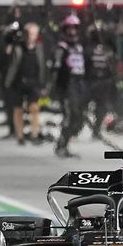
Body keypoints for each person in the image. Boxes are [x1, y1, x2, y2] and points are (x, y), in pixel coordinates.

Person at [4, 22, 46, 145]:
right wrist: (9, 82)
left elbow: (41, 67)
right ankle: (20, 135)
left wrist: (42, 84)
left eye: (34, 33)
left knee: (34, 108)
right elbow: (12, 65)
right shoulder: (18, 47)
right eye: (29, 33)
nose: (31, 36)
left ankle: (34, 133)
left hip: (33, 82)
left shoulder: (39, 49)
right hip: (18, 82)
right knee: (18, 109)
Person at [53, 15, 88, 158]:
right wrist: (54, 88)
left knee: (79, 117)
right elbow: (55, 69)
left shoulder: (79, 48)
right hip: (66, 86)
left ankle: (66, 140)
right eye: (69, 29)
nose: (72, 33)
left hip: (79, 85)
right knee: (69, 116)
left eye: (75, 29)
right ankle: (62, 145)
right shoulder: (62, 48)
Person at [84, 24, 116, 139]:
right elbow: (86, 64)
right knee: (84, 105)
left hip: (103, 81)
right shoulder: (89, 48)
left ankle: (96, 129)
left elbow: (112, 65)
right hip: (91, 80)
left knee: (101, 107)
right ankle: (86, 127)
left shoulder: (109, 49)